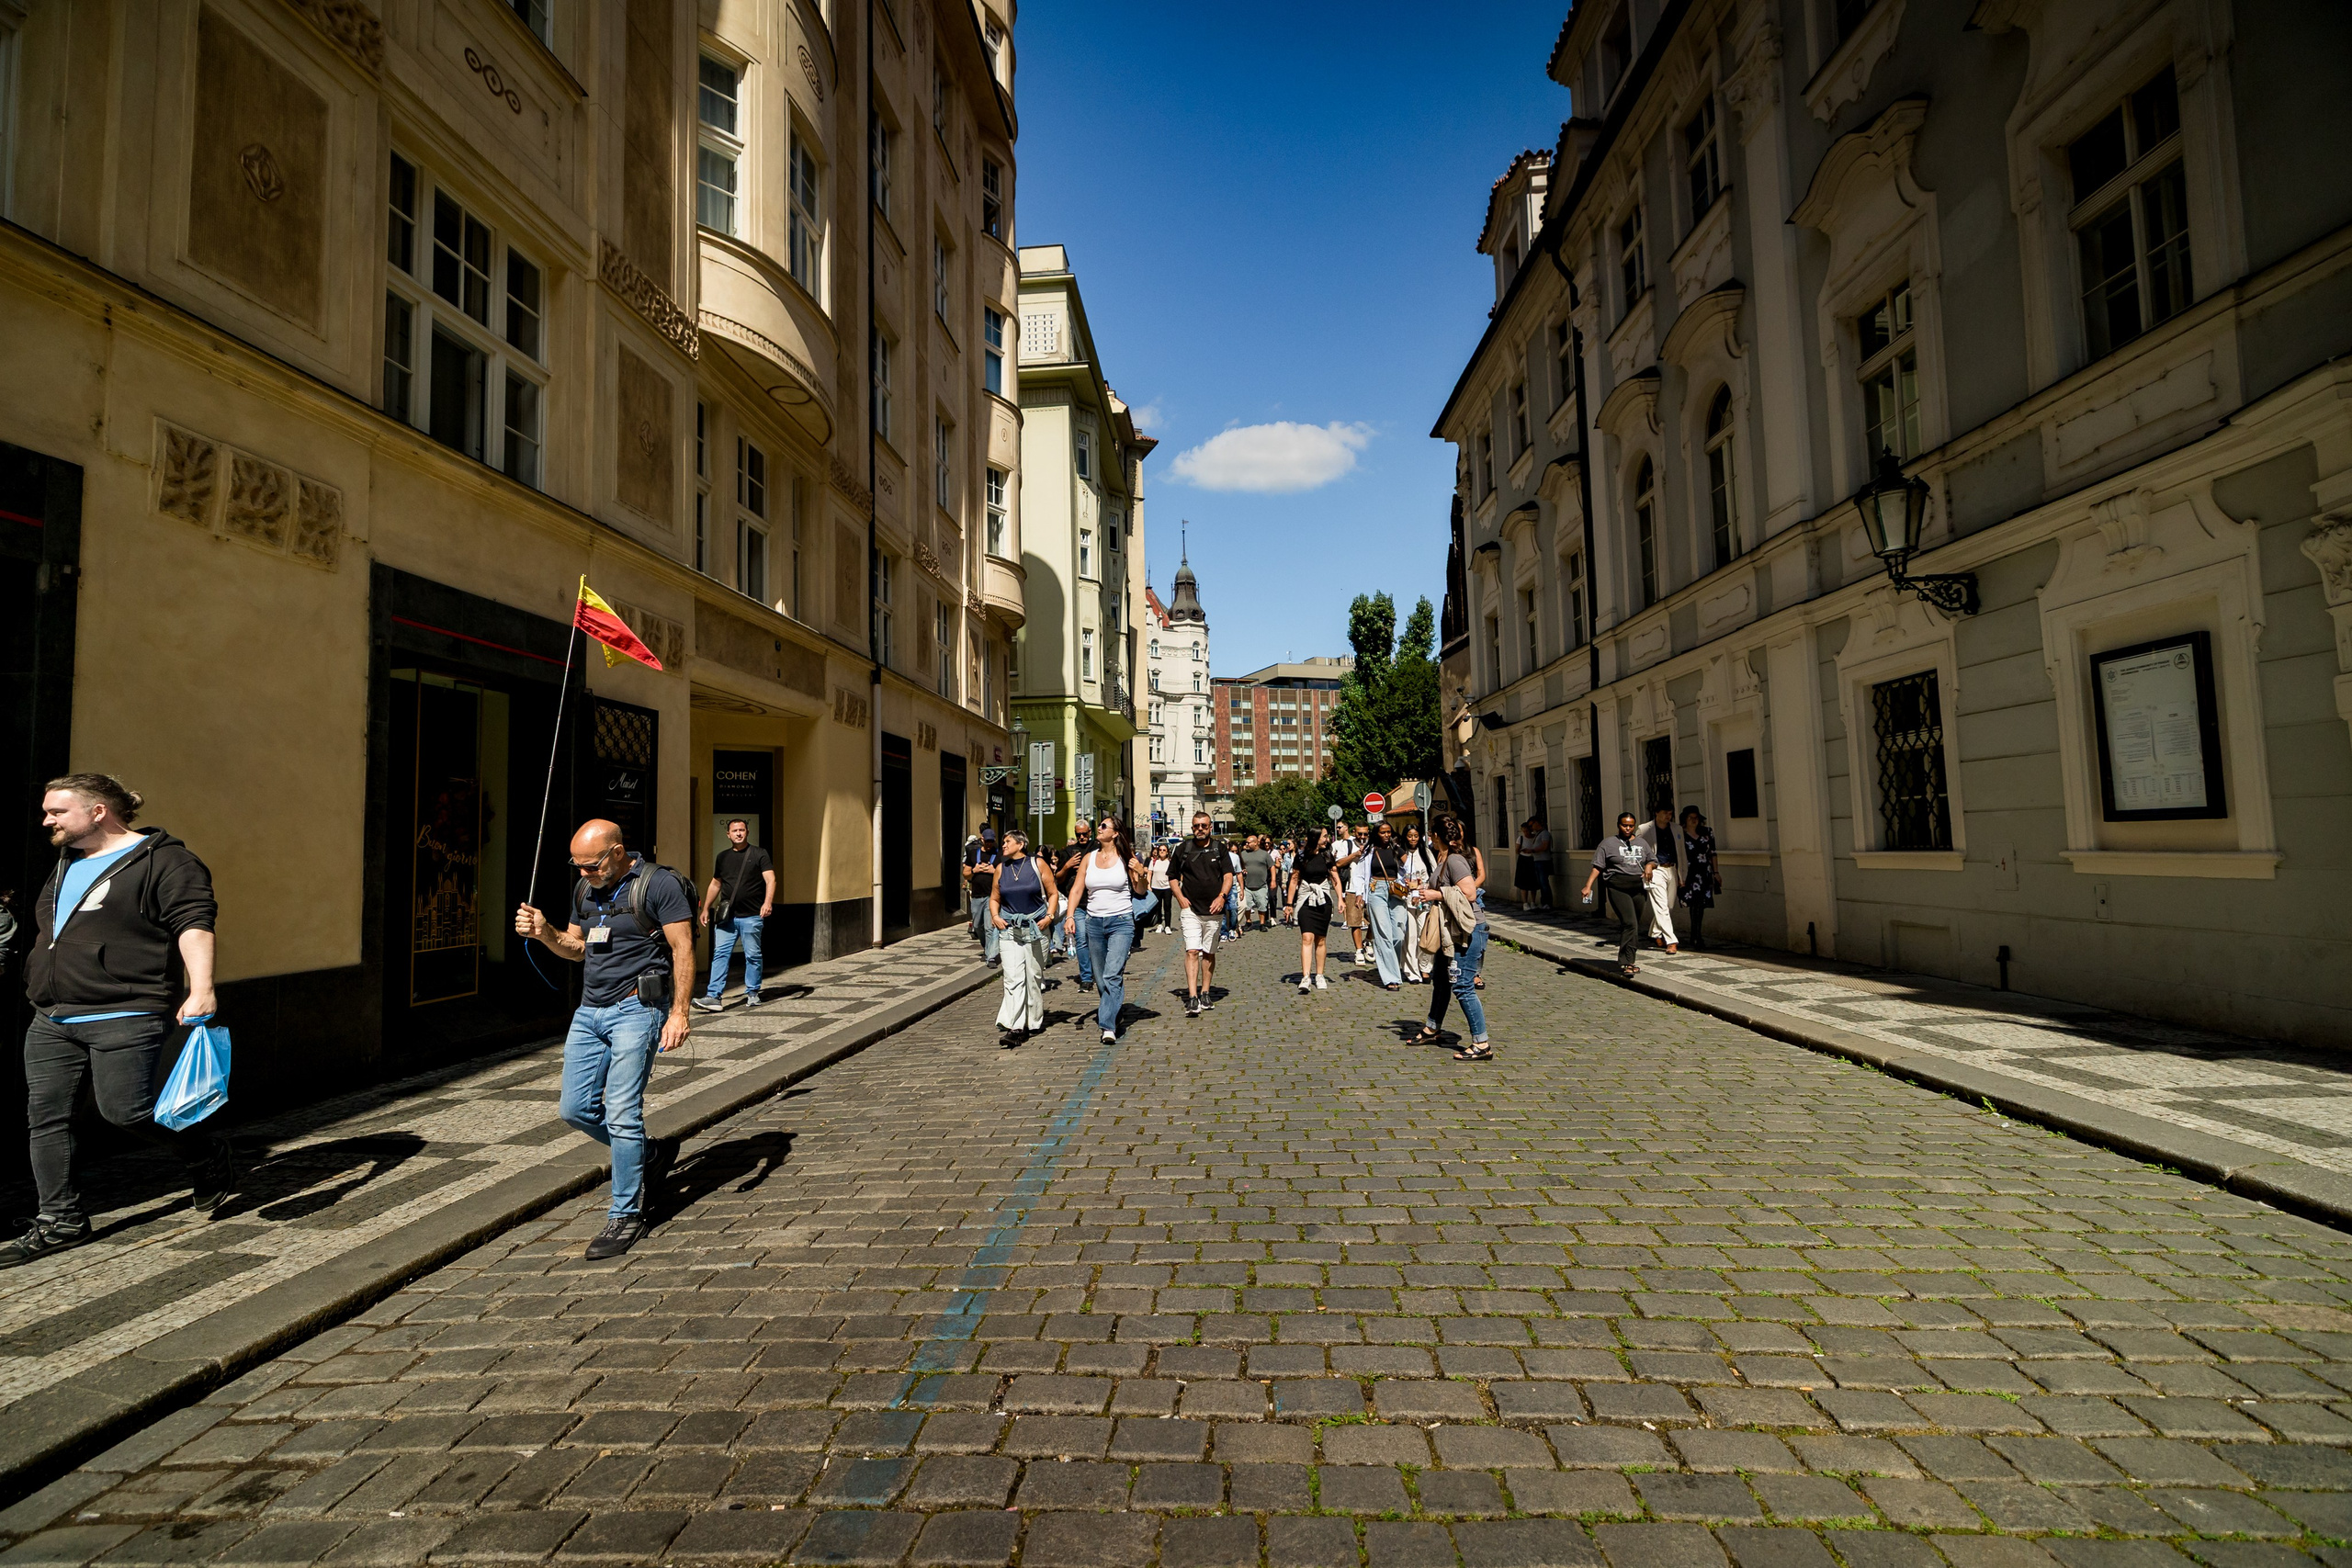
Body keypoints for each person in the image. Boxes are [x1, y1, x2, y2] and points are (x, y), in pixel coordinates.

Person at [4, 775, 237, 1269]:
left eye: (56, 812)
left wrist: (202, 988)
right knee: (46, 1119)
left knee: (125, 1113)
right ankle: (60, 1220)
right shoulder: (68, 861)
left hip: (125, 1011)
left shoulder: (167, 861)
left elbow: (194, 922)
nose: (46, 820)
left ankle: (204, 1152)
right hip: (52, 1014)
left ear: (97, 812)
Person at [515, 819, 695, 1259]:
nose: (584, 874)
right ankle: (650, 1155)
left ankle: (626, 1214)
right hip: (590, 1012)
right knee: (575, 1108)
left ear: (618, 851)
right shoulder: (584, 891)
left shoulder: (659, 886)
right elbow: (576, 948)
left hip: (638, 1008)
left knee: (621, 1111)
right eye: (577, 866)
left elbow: (683, 948)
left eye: (591, 866)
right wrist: (544, 933)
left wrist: (679, 1013)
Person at [1405, 817, 1491, 1061]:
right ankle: (1432, 1028)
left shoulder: (1454, 859)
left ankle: (1481, 1043)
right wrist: (1424, 891)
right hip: (1450, 930)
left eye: (1431, 834)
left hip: (1468, 930)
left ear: (1436, 836)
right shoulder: (1442, 858)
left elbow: (1470, 892)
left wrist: (1436, 893)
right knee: (1441, 979)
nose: (1429, 838)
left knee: (1463, 986)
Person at [1064, 815, 1148, 1045]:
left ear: (1115, 833)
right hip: (1093, 922)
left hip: (1121, 921)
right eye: (1099, 825)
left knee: (1112, 973)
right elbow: (1076, 889)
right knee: (1100, 978)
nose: (1098, 829)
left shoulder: (1126, 858)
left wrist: (1141, 872)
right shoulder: (1089, 858)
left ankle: (1108, 1025)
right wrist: (1070, 915)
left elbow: (1140, 891)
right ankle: (1113, 1008)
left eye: (1103, 826)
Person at [692, 818, 775, 1012]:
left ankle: (753, 993)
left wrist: (768, 902)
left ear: (747, 832)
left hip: (752, 915)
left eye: (742, 830)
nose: (738, 833)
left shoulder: (759, 854)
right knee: (720, 954)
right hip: (726, 917)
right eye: (734, 831)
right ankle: (713, 996)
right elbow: (716, 883)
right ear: (728, 834)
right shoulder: (722, 857)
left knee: (753, 955)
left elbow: (770, 879)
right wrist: (705, 908)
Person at [990, 829, 1060, 1048]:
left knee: (1033, 976)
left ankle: (1034, 1020)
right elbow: (995, 898)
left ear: (1021, 844)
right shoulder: (1001, 868)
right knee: (1013, 978)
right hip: (1010, 930)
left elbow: (1053, 893)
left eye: (1007, 841)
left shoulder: (1037, 865)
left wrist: (1049, 916)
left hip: (1036, 928)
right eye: (1003, 842)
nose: (1003, 845)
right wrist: (995, 916)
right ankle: (1016, 1026)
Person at [1169, 812, 1232, 1018]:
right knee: (1192, 951)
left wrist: (1222, 897)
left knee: (1209, 952)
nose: (1200, 829)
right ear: (1192, 827)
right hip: (1190, 910)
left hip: (1214, 909)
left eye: (1204, 825)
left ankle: (1205, 991)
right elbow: (1172, 877)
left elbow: (1228, 876)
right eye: (1196, 826)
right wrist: (1179, 897)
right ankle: (1193, 996)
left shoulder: (1219, 848)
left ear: (1210, 827)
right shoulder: (1183, 849)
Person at [1579, 812, 1656, 976]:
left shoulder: (1642, 843)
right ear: (1618, 825)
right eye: (1624, 825)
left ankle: (1630, 960)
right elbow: (1598, 866)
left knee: (1634, 925)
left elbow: (1652, 860)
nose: (1628, 828)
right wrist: (1588, 886)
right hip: (1617, 887)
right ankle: (1627, 962)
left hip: (1638, 888)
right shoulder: (1608, 844)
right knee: (1630, 923)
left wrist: (1649, 866)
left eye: (1631, 825)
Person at [1286, 825, 1343, 993]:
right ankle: (1305, 977)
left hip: (1323, 900)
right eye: (1325, 836)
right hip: (1305, 900)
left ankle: (1319, 974)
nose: (1327, 839)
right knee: (1307, 938)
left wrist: (1340, 898)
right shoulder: (1302, 856)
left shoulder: (1327, 856)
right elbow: (1294, 880)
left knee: (1321, 939)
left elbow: (1335, 879)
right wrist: (1289, 904)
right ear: (1315, 838)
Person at [1362, 821, 1408, 991]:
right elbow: (1361, 873)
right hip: (1376, 890)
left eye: (1389, 832)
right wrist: (1360, 895)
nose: (1387, 835)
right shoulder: (1369, 851)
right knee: (1383, 933)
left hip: (1396, 890)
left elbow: (1409, 867)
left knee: (1398, 934)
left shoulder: (1397, 849)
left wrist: (1410, 880)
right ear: (1376, 834)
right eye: (1383, 832)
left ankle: (1393, 967)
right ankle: (1391, 978)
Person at [1637, 805, 1681, 953]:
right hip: (1655, 870)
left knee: (1668, 906)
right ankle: (1671, 941)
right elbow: (1637, 851)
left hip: (1672, 868)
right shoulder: (1644, 829)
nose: (1668, 816)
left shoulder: (1676, 829)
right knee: (1661, 906)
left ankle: (1654, 933)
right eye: (1665, 812)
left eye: (1670, 813)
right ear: (1656, 813)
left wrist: (1682, 874)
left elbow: (1682, 852)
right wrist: (1645, 867)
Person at [1679, 807, 1723, 951]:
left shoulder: (1707, 832)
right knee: (1694, 903)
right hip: (1689, 873)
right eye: (1690, 817)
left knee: (1701, 904)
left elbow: (1713, 853)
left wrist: (1716, 872)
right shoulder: (1680, 834)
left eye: (1696, 817)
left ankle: (1697, 934)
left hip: (1704, 872)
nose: (1694, 820)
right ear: (1685, 819)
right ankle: (1695, 935)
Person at [1397, 824, 1436, 985]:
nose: (1413, 839)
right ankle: (1412, 970)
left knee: (1424, 934)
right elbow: (1397, 875)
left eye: (1415, 836)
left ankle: (1425, 967)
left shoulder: (1426, 853)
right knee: (1410, 936)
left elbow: (1433, 874)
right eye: (1410, 836)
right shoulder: (1400, 853)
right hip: (1406, 900)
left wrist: (1424, 888)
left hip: (1423, 899)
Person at [966, 829, 1000, 965]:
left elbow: (1005, 873)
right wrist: (975, 870)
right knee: (978, 926)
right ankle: (987, 947)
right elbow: (965, 874)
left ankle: (991, 956)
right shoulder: (973, 854)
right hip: (976, 896)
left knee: (989, 926)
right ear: (982, 839)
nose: (990, 844)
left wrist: (994, 871)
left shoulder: (999, 855)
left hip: (992, 896)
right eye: (987, 841)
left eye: (992, 841)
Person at [1514, 818, 1554, 910]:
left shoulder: (1544, 833)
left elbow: (1545, 846)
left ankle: (1547, 903)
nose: (1531, 828)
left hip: (1543, 861)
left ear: (1537, 823)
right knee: (1540, 882)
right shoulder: (1538, 834)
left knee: (1543, 883)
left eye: (1531, 826)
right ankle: (1543, 902)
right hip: (1536, 860)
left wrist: (1532, 850)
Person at [1239, 835, 1275, 932]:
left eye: (1248, 842)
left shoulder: (1264, 854)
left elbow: (1272, 866)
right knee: (1246, 906)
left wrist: (1273, 880)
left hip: (1261, 886)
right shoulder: (1243, 854)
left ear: (1255, 843)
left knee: (1262, 905)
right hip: (1247, 885)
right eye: (1246, 842)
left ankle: (1262, 923)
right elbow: (1239, 867)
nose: (1246, 844)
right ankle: (1248, 921)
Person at [1148, 844, 1173, 933]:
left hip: (1167, 887)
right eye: (1160, 850)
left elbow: (1173, 875)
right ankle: (1159, 924)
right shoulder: (1154, 861)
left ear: (1167, 852)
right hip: (1156, 887)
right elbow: (1149, 873)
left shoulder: (1170, 862)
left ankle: (1167, 926)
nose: (1162, 851)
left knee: (1167, 907)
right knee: (1157, 907)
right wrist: (1148, 885)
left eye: (1164, 850)